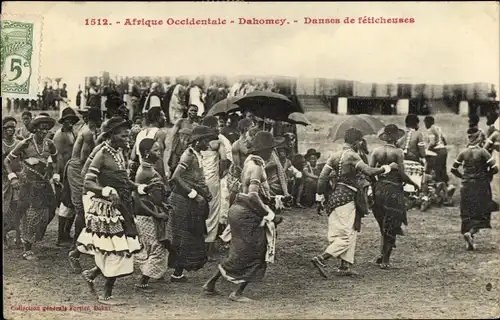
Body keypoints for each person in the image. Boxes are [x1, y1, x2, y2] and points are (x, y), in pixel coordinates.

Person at [202, 131, 283, 302]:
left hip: (238, 210)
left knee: (238, 252)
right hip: (247, 213)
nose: (272, 153)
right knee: (257, 253)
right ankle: (237, 292)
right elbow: (253, 195)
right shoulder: (257, 166)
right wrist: (268, 214)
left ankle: (211, 283)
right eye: (270, 149)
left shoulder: (249, 162)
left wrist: (273, 199)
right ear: (264, 150)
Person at [76, 117, 147, 305]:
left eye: (128, 135)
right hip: (106, 208)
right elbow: (88, 182)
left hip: (121, 205)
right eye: (124, 135)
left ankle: (91, 274)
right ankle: (106, 294)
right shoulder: (102, 154)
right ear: (112, 135)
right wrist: (106, 190)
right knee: (117, 248)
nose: (128, 138)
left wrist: (138, 187)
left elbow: (121, 180)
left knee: (117, 247)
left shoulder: (119, 152)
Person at [311, 128, 397, 277]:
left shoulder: (334, 156)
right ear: (357, 142)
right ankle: (321, 258)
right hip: (347, 199)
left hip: (333, 198)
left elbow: (322, 179)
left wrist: (320, 198)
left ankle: (345, 266)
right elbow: (369, 171)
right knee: (346, 235)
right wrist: (388, 167)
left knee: (346, 231)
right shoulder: (352, 156)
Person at [4, 114, 60, 260]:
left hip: (44, 182)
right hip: (27, 182)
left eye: (46, 129)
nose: (44, 132)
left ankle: (27, 235)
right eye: (41, 129)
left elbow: (56, 160)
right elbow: (7, 161)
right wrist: (12, 177)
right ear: (35, 129)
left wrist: (55, 174)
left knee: (51, 210)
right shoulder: (25, 144)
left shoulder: (49, 144)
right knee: (31, 213)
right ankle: (27, 248)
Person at [166, 125, 214, 282]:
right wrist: (194, 194)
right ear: (198, 141)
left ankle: (177, 272)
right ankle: (172, 272)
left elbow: (196, 177)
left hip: (188, 200)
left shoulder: (196, 154)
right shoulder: (188, 155)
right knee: (181, 237)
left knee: (187, 236)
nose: (208, 144)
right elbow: (175, 177)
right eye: (206, 140)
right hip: (181, 200)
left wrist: (204, 192)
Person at [370, 124, 420, 269]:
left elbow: (371, 172)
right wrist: (414, 183)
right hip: (393, 190)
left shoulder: (376, 151)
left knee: (382, 224)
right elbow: (402, 174)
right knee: (391, 224)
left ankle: (381, 253)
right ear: (395, 137)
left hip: (379, 189)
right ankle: (385, 259)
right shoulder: (398, 152)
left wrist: (376, 185)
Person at [451, 127, 498, 251]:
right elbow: (495, 168)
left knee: (467, 211)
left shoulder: (463, 152)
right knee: (481, 210)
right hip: (480, 186)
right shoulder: (483, 152)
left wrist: (463, 177)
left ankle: (468, 234)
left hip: (466, 186)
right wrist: (486, 176)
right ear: (479, 138)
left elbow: (453, 169)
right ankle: (471, 232)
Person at [67, 107, 102, 273]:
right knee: (82, 208)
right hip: (78, 169)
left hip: (81, 169)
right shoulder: (88, 132)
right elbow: (83, 158)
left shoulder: (87, 129)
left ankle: (83, 245)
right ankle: (75, 247)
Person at [133, 138, 170, 291]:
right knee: (157, 247)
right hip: (146, 215)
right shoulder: (143, 172)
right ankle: (142, 281)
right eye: (155, 150)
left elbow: (152, 195)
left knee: (153, 246)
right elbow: (137, 198)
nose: (159, 152)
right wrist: (155, 214)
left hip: (152, 213)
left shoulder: (150, 169)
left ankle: (152, 273)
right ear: (147, 153)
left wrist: (162, 205)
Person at [200, 116, 232, 259]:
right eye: (216, 126)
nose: (219, 129)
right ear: (211, 128)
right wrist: (220, 173)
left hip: (198, 180)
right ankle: (209, 248)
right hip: (212, 181)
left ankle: (199, 247)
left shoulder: (196, 144)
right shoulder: (218, 143)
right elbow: (224, 160)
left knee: (199, 212)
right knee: (212, 212)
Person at [53, 107, 81, 247]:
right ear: (63, 122)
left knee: (71, 202)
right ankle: (61, 236)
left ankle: (66, 234)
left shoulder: (72, 133)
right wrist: (57, 173)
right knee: (65, 202)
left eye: (72, 121)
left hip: (72, 170)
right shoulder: (60, 135)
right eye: (67, 121)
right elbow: (57, 156)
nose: (70, 123)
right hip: (64, 172)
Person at [129, 107, 168, 181]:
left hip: (142, 171)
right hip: (154, 174)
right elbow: (159, 159)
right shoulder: (160, 133)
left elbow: (133, 156)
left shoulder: (140, 133)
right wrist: (164, 178)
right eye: (163, 115)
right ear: (157, 118)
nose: (165, 118)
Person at [2, 117, 22, 248]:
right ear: (3, 129)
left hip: (17, 179)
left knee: (18, 206)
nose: (10, 129)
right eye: (7, 127)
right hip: (4, 178)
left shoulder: (19, 143)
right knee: (5, 208)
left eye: (13, 127)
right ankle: (3, 236)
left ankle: (19, 237)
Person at [165, 104, 199, 174]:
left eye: (195, 111)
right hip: (177, 148)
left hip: (187, 150)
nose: (193, 112)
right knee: (173, 167)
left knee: (184, 169)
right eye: (191, 110)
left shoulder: (196, 126)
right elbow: (172, 134)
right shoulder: (181, 121)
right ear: (187, 111)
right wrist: (170, 148)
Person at [227, 118, 254, 205]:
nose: (254, 128)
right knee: (235, 192)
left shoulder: (253, 142)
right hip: (240, 173)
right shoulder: (236, 145)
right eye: (252, 126)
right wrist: (246, 174)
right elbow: (237, 165)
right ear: (246, 128)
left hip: (252, 172)